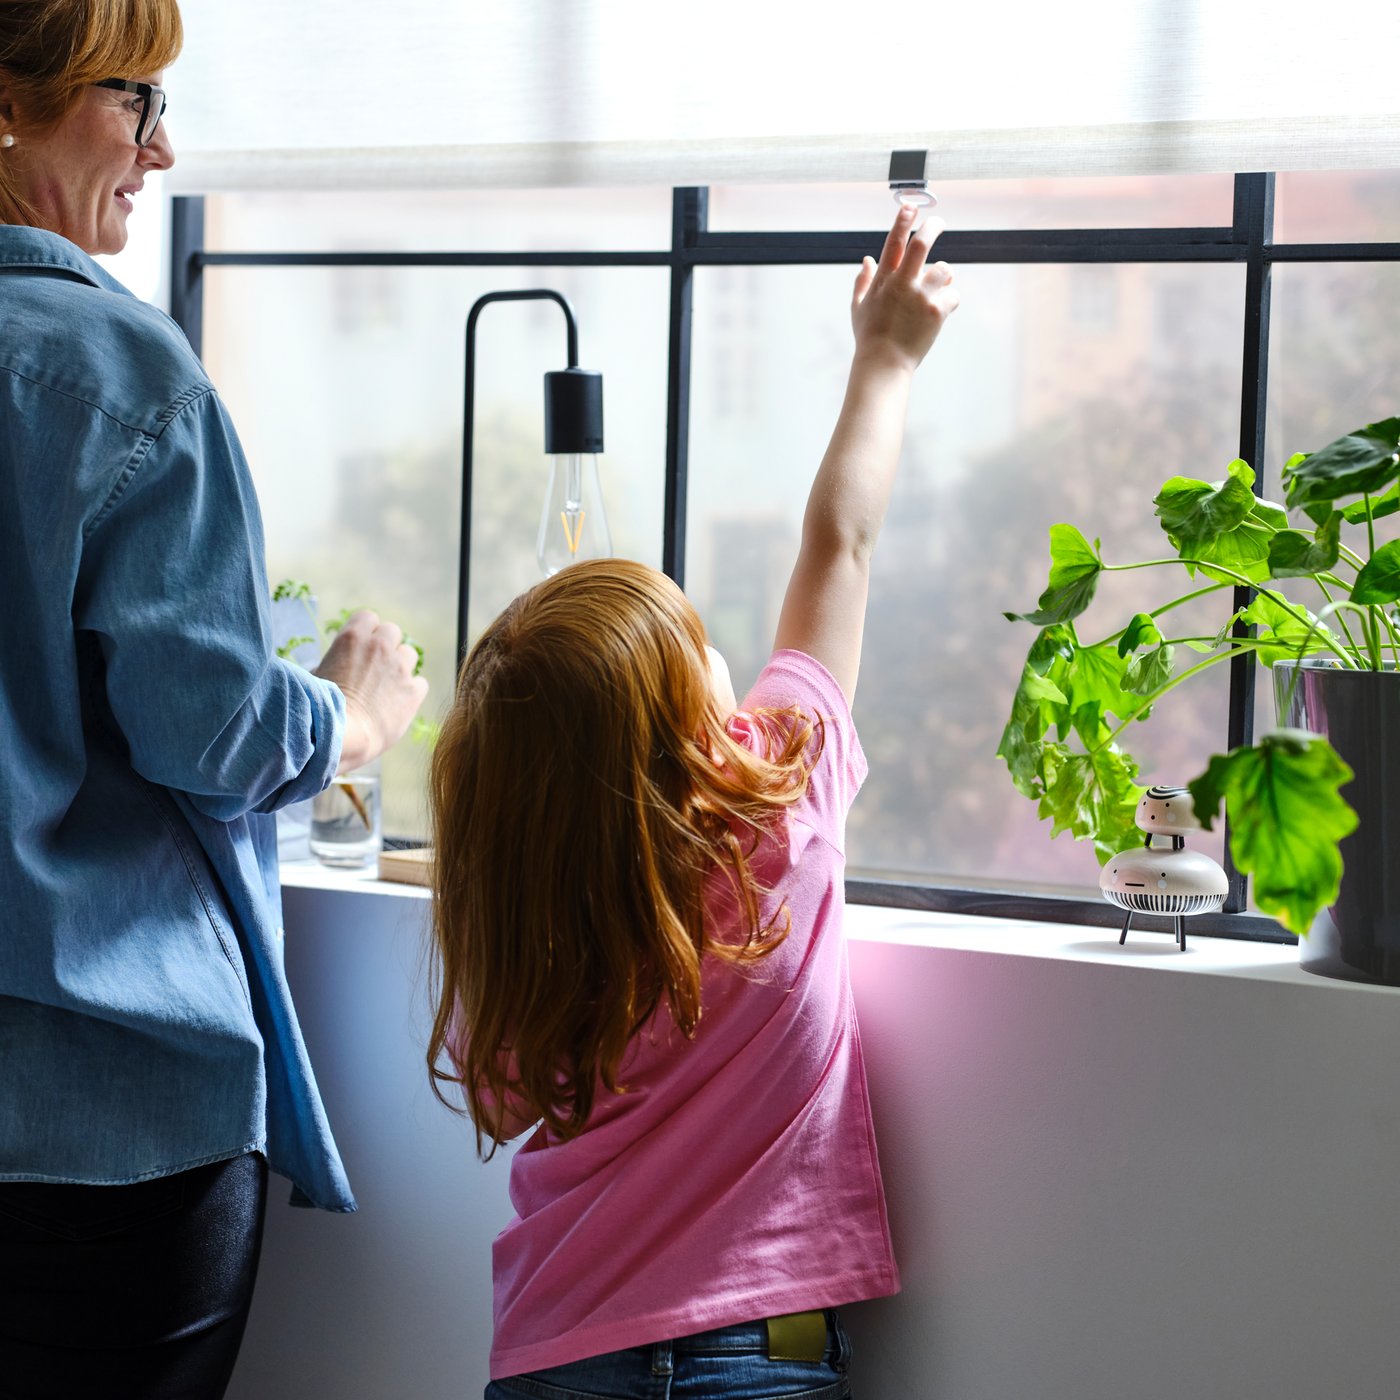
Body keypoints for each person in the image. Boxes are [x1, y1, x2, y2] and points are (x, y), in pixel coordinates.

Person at [428, 201, 958, 1397]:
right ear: (688, 721)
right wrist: (883, 355)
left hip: (554, 1352)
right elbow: (840, 545)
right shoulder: (779, 805)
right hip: (752, 1358)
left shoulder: (526, 925)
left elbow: (507, 1087)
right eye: (697, 649)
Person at [0, 3, 427, 1395]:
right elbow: (215, 730)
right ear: (9, 106)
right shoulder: (119, 377)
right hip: (104, 1136)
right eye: (134, 100)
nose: (163, 148)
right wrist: (349, 719)